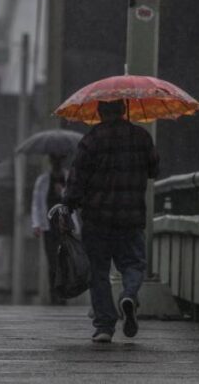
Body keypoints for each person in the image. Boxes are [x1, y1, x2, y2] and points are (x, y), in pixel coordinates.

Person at [64, 99, 159, 343]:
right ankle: (128, 295)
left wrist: (69, 203)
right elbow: (154, 170)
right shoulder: (141, 136)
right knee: (133, 264)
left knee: (98, 272)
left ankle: (105, 326)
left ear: (99, 112)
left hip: (97, 218)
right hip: (131, 216)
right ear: (124, 109)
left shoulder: (91, 139)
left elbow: (77, 178)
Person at [31, 154, 69, 304]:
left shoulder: (69, 179)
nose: (56, 165)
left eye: (58, 162)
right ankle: (54, 294)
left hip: (65, 226)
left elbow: (75, 199)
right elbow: (36, 203)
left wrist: (62, 193)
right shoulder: (42, 180)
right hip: (49, 226)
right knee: (52, 261)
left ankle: (63, 293)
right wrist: (36, 224)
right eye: (54, 162)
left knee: (64, 261)